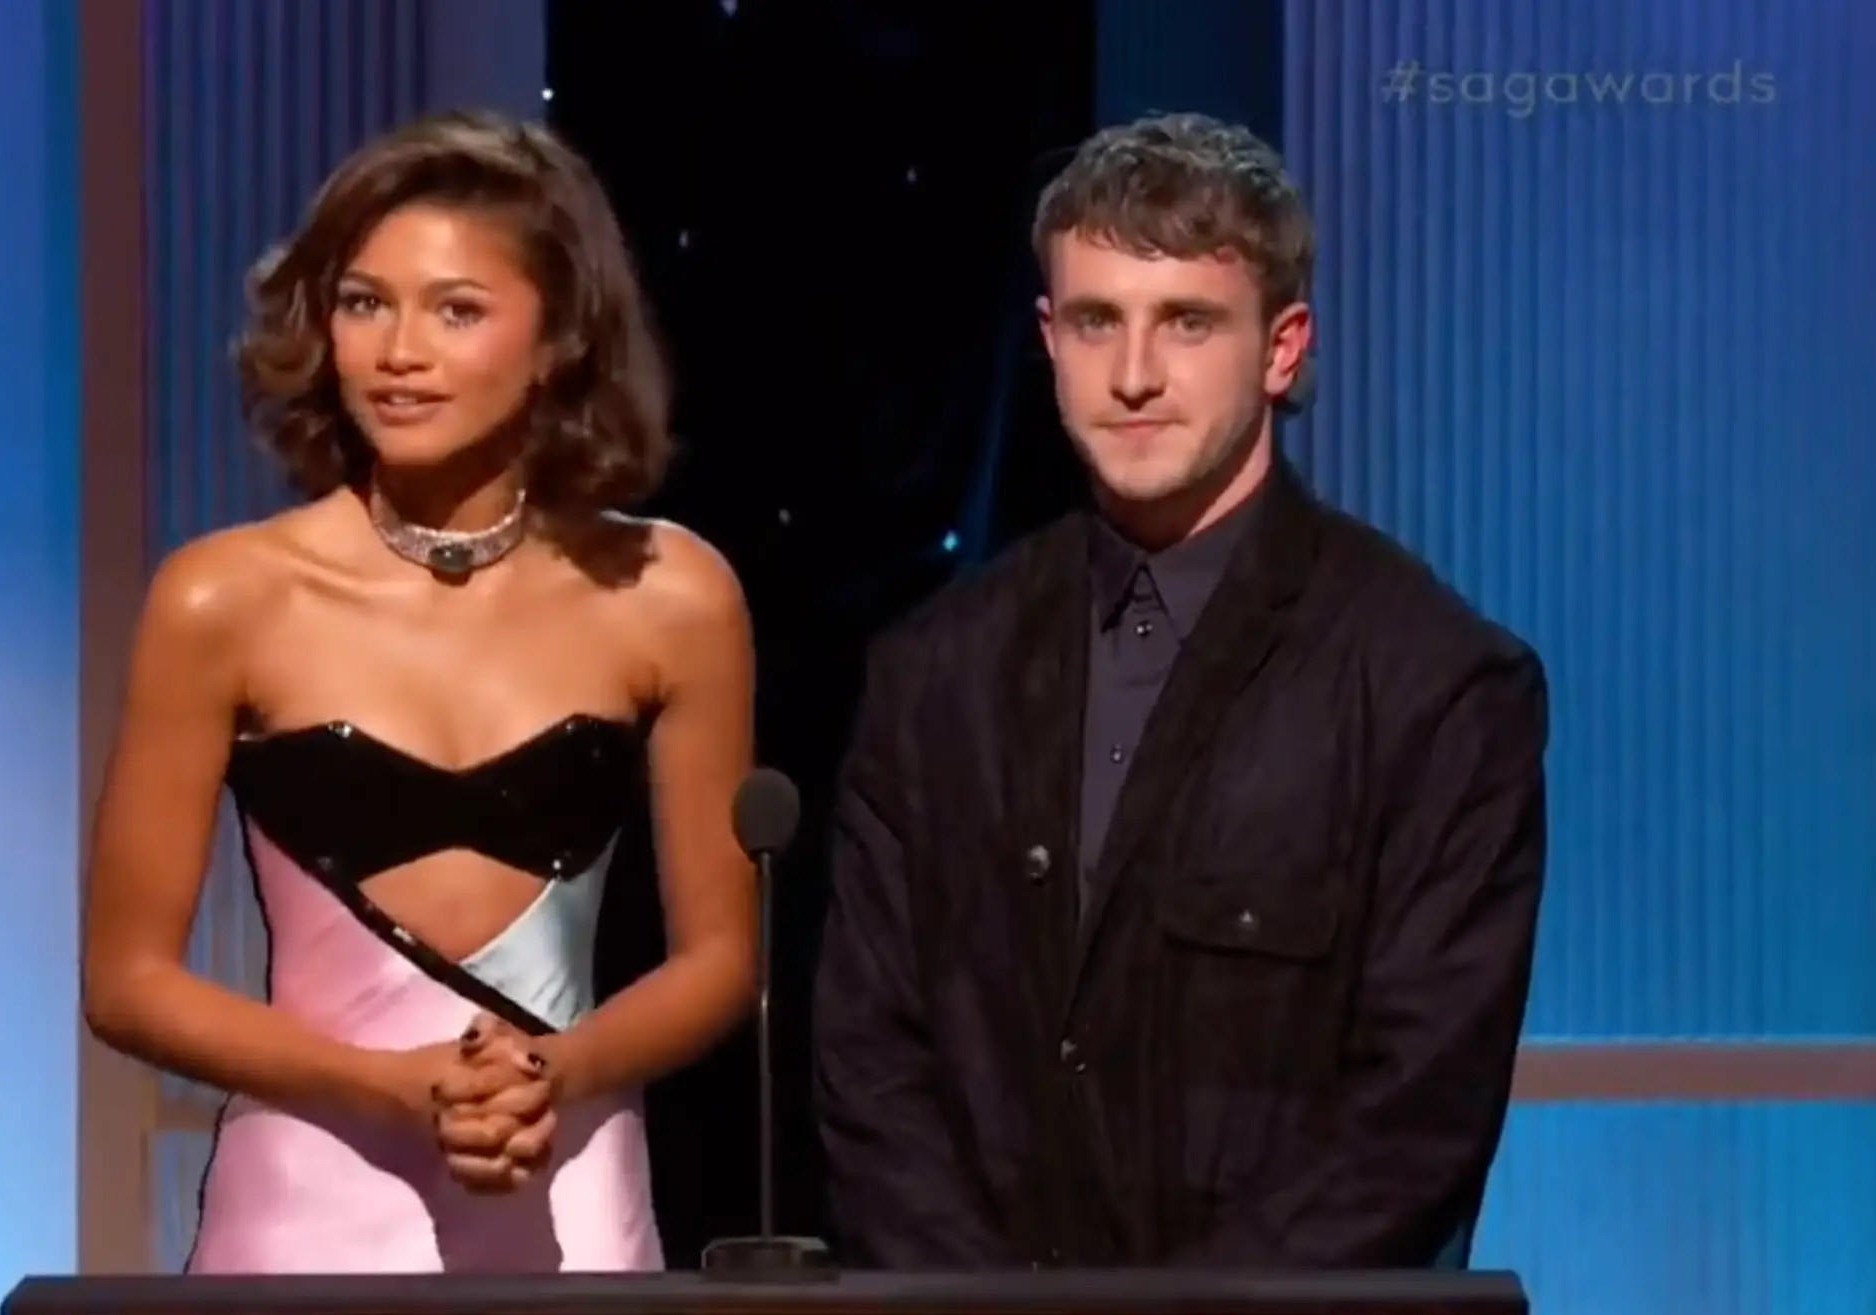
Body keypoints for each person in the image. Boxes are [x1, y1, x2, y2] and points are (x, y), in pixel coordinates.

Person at [812, 112, 1550, 1270]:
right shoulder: (931, 672)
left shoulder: (1439, 683)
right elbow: (868, 1062)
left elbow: (1417, 1106)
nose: (1136, 375)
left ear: (1283, 347)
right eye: (1098, 321)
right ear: (1049, 339)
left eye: (1188, 323)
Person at [81, 111, 758, 1274]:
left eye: (456, 310)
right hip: (308, 1198)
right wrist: (385, 1089)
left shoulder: (670, 592)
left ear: (557, 340)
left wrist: (558, 1072)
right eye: (362, 303)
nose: (398, 351)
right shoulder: (223, 598)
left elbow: (722, 961)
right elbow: (127, 981)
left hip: (566, 1178)